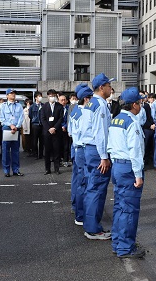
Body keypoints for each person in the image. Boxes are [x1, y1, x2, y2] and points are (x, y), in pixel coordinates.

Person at [108, 87, 146, 259]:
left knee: (119, 207)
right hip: (129, 167)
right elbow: (135, 151)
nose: (141, 106)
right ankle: (125, 247)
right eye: (140, 102)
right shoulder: (133, 122)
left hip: (117, 166)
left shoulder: (116, 120)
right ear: (134, 105)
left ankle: (118, 242)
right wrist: (138, 175)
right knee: (129, 209)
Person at [82, 73, 114, 240]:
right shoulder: (100, 105)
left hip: (89, 149)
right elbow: (100, 133)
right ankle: (93, 228)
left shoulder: (90, 103)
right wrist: (104, 156)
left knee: (92, 188)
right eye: (109, 86)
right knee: (97, 189)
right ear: (102, 88)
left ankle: (90, 224)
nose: (111, 89)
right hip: (97, 151)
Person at [69, 84, 92, 226]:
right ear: (86, 99)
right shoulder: (85, 113)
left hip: (77, 147)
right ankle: (81, 214)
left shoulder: (75, 111)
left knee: (78, 181)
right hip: (83, 149)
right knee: (83, 182)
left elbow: (71, 131)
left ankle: (77, 208)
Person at [0, 89, 25, 177]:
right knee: (5, 151)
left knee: (15, 151)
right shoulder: (2, 106)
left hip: (16, 129)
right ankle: (6, 170)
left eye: (14, 93)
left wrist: (16, 126)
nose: (13, 95)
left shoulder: (19, 106)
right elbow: (2, 119)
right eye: (11, 93)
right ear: (7, 95)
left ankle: (16, 170)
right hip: (6, 128)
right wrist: (10, 125)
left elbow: (22, 117)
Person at [40, 89, 64, 175]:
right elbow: (43, 119)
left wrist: (55, 128)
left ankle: (56, 168)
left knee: (57, 150)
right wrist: (49, 129)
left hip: (57, 132)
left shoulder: (59, 106)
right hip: (47, 132)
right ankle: (47, 169)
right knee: (47, 151)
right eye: (50, 96)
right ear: (47, 97)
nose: (52, 97)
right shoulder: (44, 106)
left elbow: (61, 118)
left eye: (53, 96)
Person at [141, 93, 156, 168]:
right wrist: (150, 126)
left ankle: (154, 159)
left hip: (155, 127)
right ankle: (146, 159)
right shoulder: (145, 107)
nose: (152, 100)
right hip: (147, 128)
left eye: (154, 98)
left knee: (154, 145)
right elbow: (144, 119)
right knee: (146, 145)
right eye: (150, 98)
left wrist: (155, 125)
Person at [29, 91, 44, 159]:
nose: (40, 97)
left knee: (42, 140)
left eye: (41, 96)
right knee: (34, 140)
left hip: (42, 125)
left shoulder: (43, 105)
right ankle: (35, 153)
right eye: (39, 96)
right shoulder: (32, 106)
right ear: (35, 98)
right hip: (35, 124)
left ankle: (41, 154)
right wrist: (34, 120)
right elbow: (30, 115)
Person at [59, 94, 71, 167]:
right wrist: (61, 126)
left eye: (64, 100)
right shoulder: (57, 108)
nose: (63, 101)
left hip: (66, 129)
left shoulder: (69, 108)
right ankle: (59, 160)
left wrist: (65, 126)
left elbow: (70, 119)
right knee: (59, 146)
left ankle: (65, 160)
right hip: (59, 129)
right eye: (61, 100)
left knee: (66, 145)